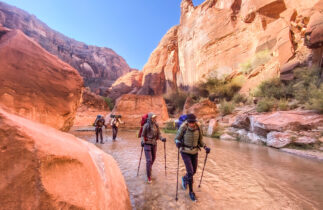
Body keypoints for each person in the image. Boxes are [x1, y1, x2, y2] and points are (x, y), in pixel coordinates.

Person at [174, 113, 210, 202]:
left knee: (193, 171)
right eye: (190, 122)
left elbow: (200, 140)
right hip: (185, 152)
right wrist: (178, 143)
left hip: (195, 152)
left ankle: (184, 178)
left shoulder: (198, 127)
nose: (191, 124)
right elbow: (177, 138)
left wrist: (205, 147)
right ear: (187, 121)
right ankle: (191, 192)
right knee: (190, 172)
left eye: (193, 122)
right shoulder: (183, 127)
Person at [141, 113, 166, 183]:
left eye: (155, 118)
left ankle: (148, 168)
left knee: (153, 158)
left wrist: (162, 139)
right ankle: (149, 176)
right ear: (149, 118)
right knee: (149, 160)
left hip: (154, 144)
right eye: (153, 118)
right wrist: (143, 141)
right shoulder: (146, 125)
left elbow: (159, 134)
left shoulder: (156, 125)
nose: (154, 119)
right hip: (147, 144)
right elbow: (142, 135)